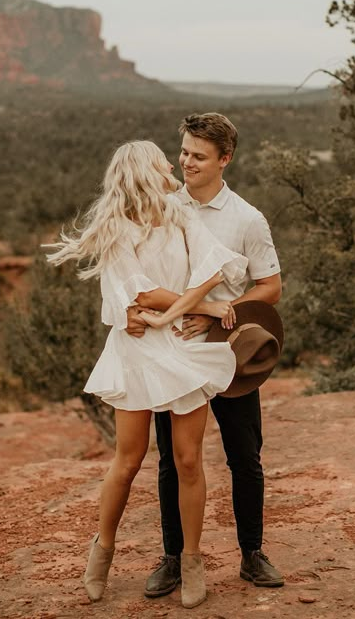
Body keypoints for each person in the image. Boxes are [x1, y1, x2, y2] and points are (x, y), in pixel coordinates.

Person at [45, 140, 249, 609]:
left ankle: (192, 561)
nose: (172, 168)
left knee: (189, 460)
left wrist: (199, 301)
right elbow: (139, 292)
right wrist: (191, 304)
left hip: (185, 347)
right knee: (129, 459)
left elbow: (213, 267)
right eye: (162, 163)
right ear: (142, 173)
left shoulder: (181, 216)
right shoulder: (117, 228)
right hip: (137, 351)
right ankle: (102, 551)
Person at [125, 113, 284, 597]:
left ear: (225, 159)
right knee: (175, 462)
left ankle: (252, 553)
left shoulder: (247, 218)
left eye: (198, 155)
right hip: (172, 352)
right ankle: (173, 559)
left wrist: (221, 312)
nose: (186, 162)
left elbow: (271, 285)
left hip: (229, 355)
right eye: (185, 152)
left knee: (244, 455)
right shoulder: (161, 208)